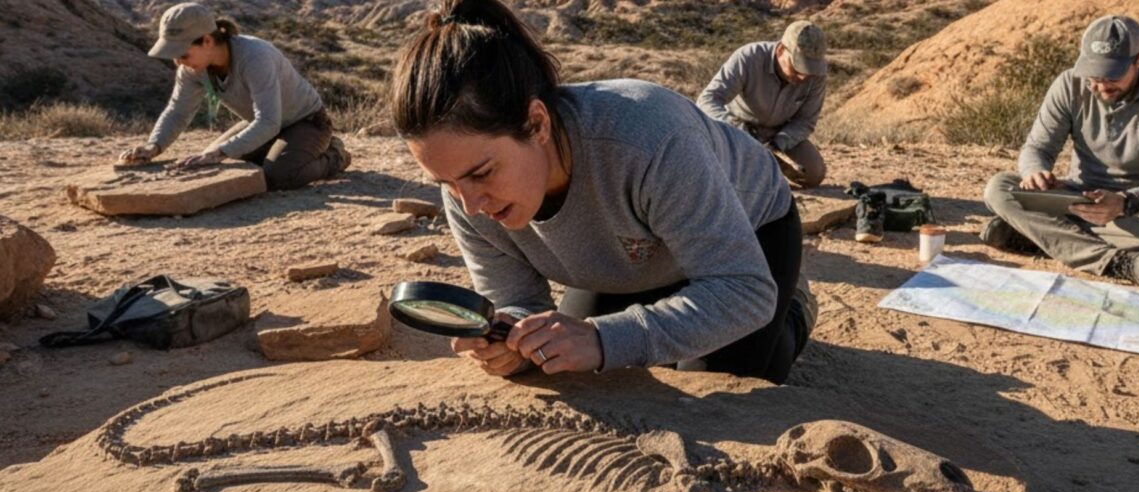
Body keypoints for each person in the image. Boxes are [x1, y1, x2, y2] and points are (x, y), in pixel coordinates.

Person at [392, 0, 816, 384]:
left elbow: (744, 290)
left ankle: (794, 309)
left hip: (749, 234)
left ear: (537, 124)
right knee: (562, 360)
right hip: (629, 261)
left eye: (482, 174)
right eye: (446, 183)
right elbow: (518, 302)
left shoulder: (649, 139)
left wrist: (602, 337)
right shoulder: (464, 192)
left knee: (715, 382)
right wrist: (511, 342)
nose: (470, 205)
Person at [981, 15, 1139, 289]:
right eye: (1093, 75)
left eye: (1112, 75)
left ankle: (1041, 236)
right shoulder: (1069, 84)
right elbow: (1037, 148)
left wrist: (1127, 202)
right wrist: (1035, 172)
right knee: (999, 188)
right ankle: (1119, 263)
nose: (1101, 86)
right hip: (1077, 200)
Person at [119, 2, 351, 191]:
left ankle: (334, 154)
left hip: (307, 122)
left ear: (207, 41)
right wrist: (153, 146)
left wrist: (220, 151)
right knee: (209, 164)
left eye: (182, 54)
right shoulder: (192, 69)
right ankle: (283, 151)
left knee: (279, 175)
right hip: (264, 124)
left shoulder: (255, 57)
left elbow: (269, 121)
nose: (178, 62)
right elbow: (178, 111)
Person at [696, 21, 829, 189]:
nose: (803, 76)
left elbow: (806, 121)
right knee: (733, 174)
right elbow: (708, 99)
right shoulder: (749, 57)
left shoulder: (817, 75)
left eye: (809, 70)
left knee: (813, 173)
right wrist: (736, 129)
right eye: (797, 68)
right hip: (737, 130)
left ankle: (767, 169)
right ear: (781, 50)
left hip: (778, 134)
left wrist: (778, 144)